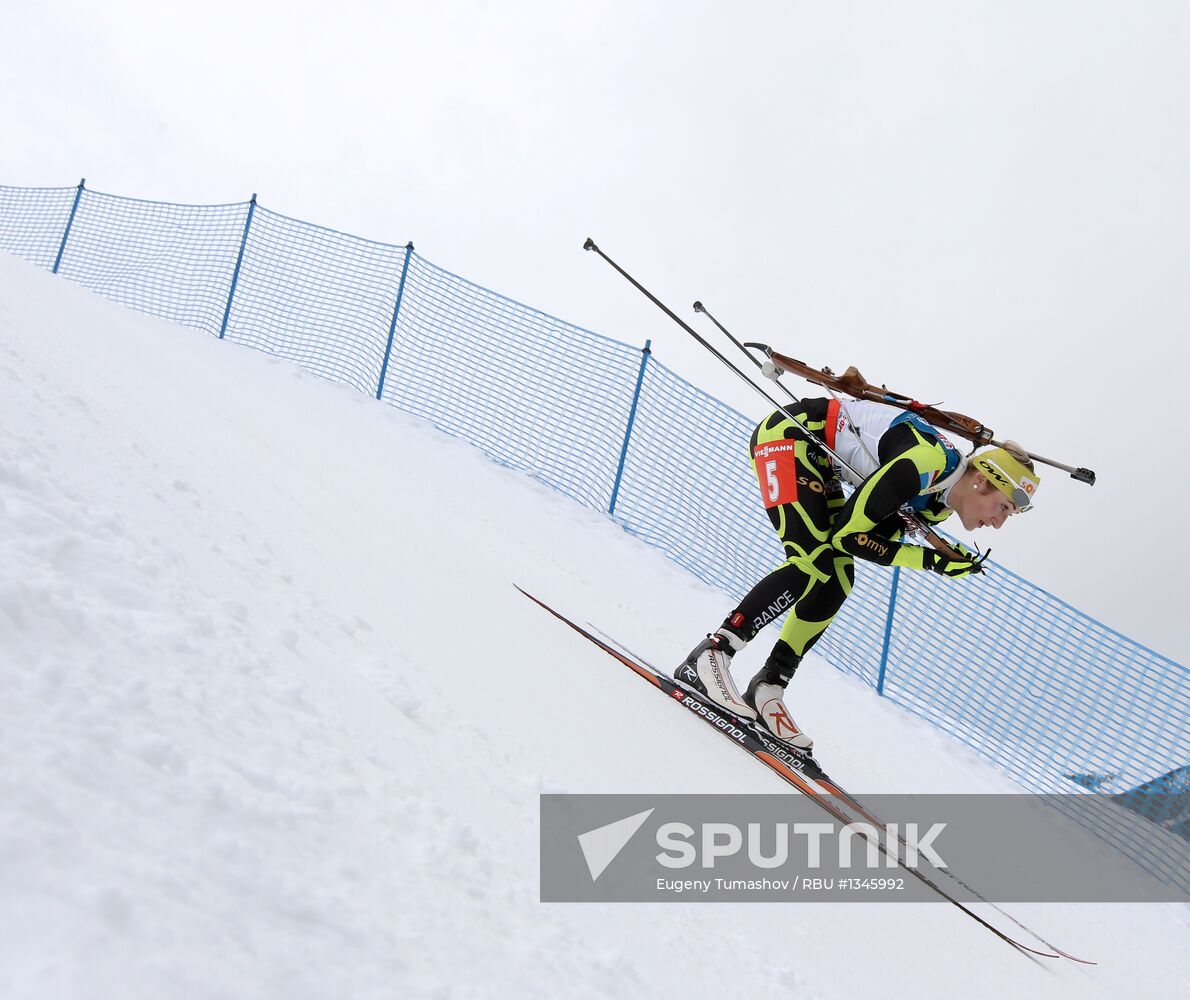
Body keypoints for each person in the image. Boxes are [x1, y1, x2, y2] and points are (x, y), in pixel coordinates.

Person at [675, 395, 1039, 751]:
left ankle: (769, 685)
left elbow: (872, 541)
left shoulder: (938, 506)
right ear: (981, 482)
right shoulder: (927, 462)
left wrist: (934, 557)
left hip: (819, 462)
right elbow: (851, 536)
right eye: (1003, 507)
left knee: (837, 576)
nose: (998, 522)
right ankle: (713, 652)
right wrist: (930, 561)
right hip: (790, 436)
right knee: (811, 559)